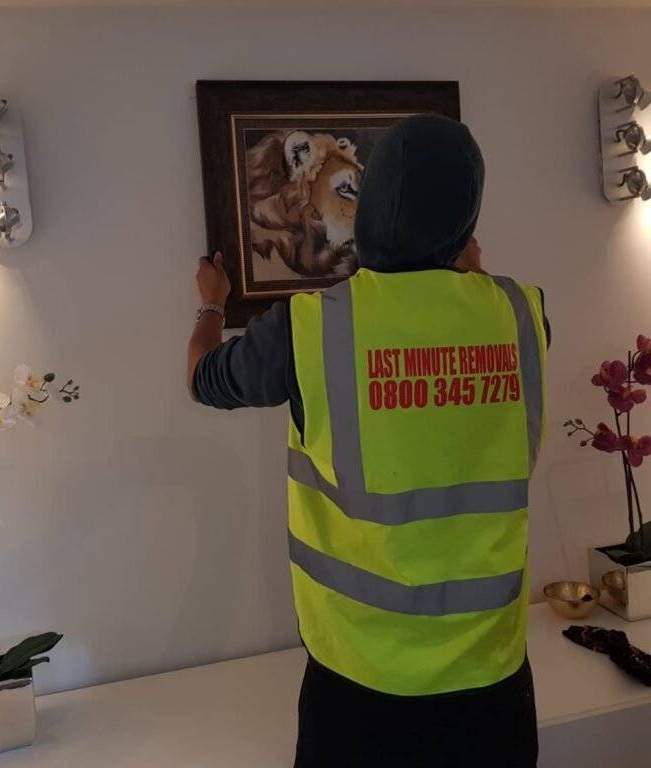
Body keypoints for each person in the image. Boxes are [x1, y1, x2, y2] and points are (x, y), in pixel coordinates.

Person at [187, 115, 548, 768]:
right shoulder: (521, 311)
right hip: (491, 680)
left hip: (359, 684)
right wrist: (468, 267)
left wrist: (212, 304)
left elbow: (204, 379)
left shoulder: (308, 326)